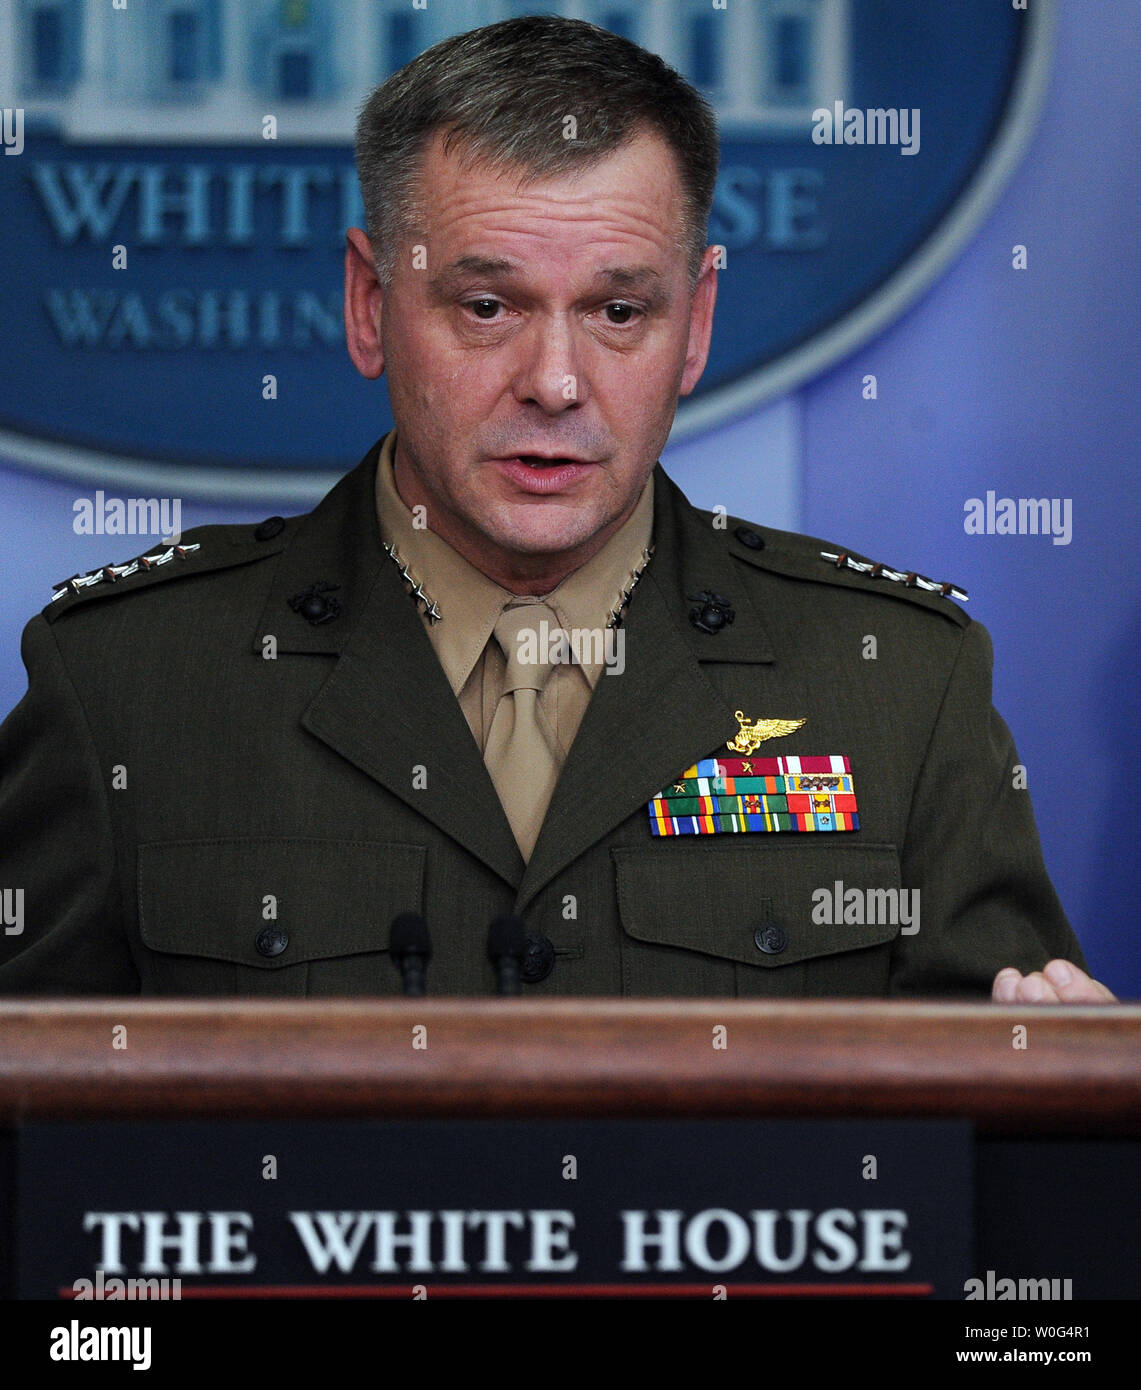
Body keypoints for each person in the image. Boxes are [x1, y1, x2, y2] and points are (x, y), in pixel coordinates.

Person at [0, 16, 1114, 1002]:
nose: (556, 380)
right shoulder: (127, 688)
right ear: (370, 304)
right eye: (487, 306)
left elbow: (992, 1170)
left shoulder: (897, 688)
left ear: (698, 323)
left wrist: (1061, 1105)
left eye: (619, 310)